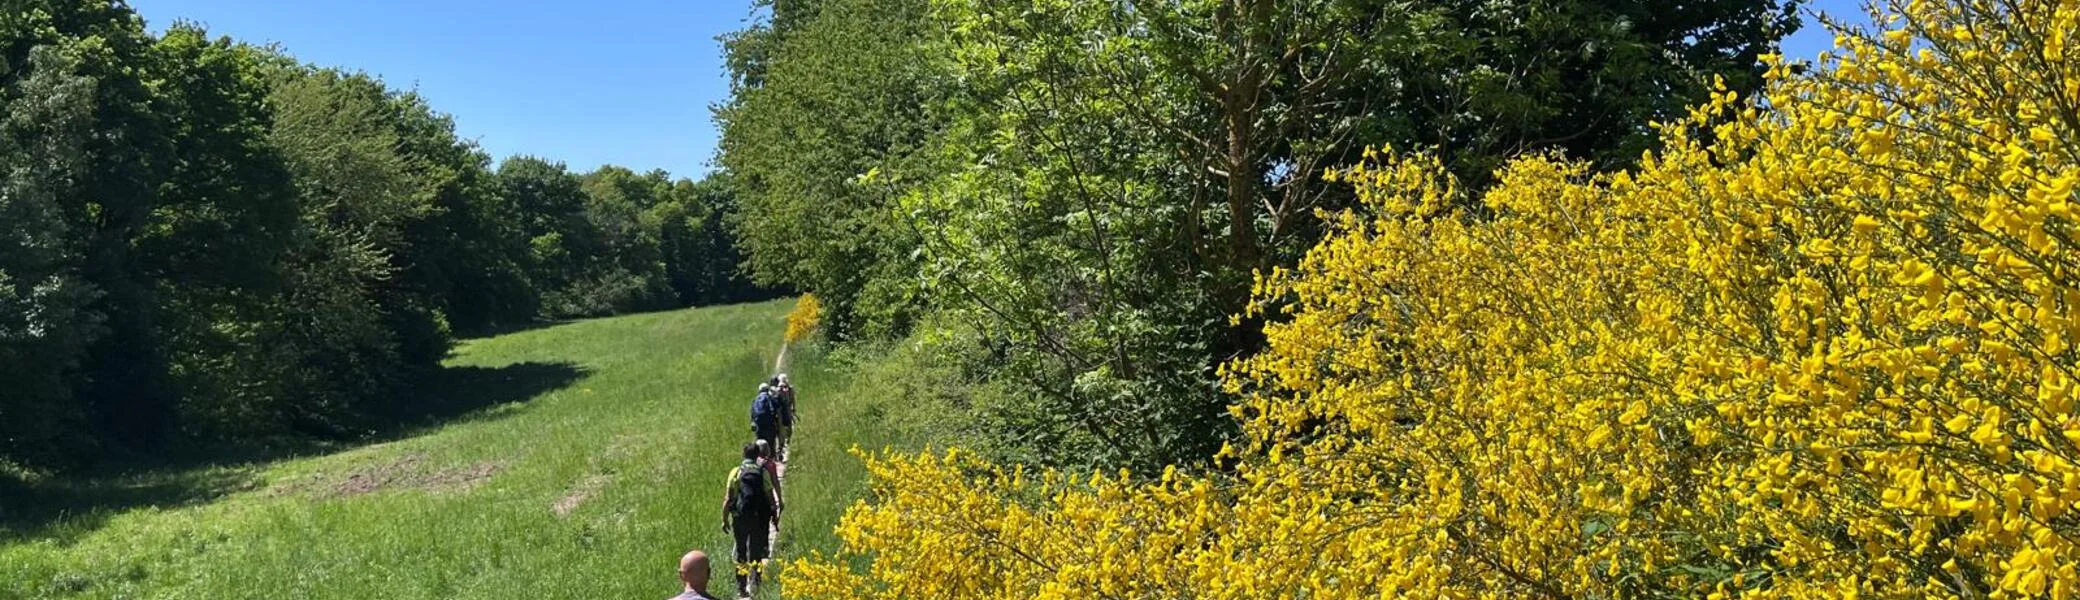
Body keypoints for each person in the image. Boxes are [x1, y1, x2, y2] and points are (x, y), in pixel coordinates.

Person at [722, 442, 780, 598]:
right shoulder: (762, 471)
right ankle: (756, 586)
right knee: (756, 551)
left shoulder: (736, 472)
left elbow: (728, 499)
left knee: (741, 551)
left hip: (740, 518)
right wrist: (774, 514)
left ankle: (741, 588)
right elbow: (770, 496)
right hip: (758, 518)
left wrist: (725, 519)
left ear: (743, 454)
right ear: (757, 456)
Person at [750, 384, 781, 452]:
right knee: (771, 444)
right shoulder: (770, 398)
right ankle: (772, 459)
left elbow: (752, 413)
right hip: (770, 425)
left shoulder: (755, 400)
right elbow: (778, 406)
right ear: (767, 390)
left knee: (760, 444)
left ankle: (760, 459)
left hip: (759, 425)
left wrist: (753, 423)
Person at [774, 375, 797, 458]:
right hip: (784, 414)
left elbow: (792, 400)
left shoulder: (778, 391)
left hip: (781, 415)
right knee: (785, 431)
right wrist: (793, 409)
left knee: (783, 432)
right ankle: (781, 448)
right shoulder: (788, 390)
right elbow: (792, 401)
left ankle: (782, 447)